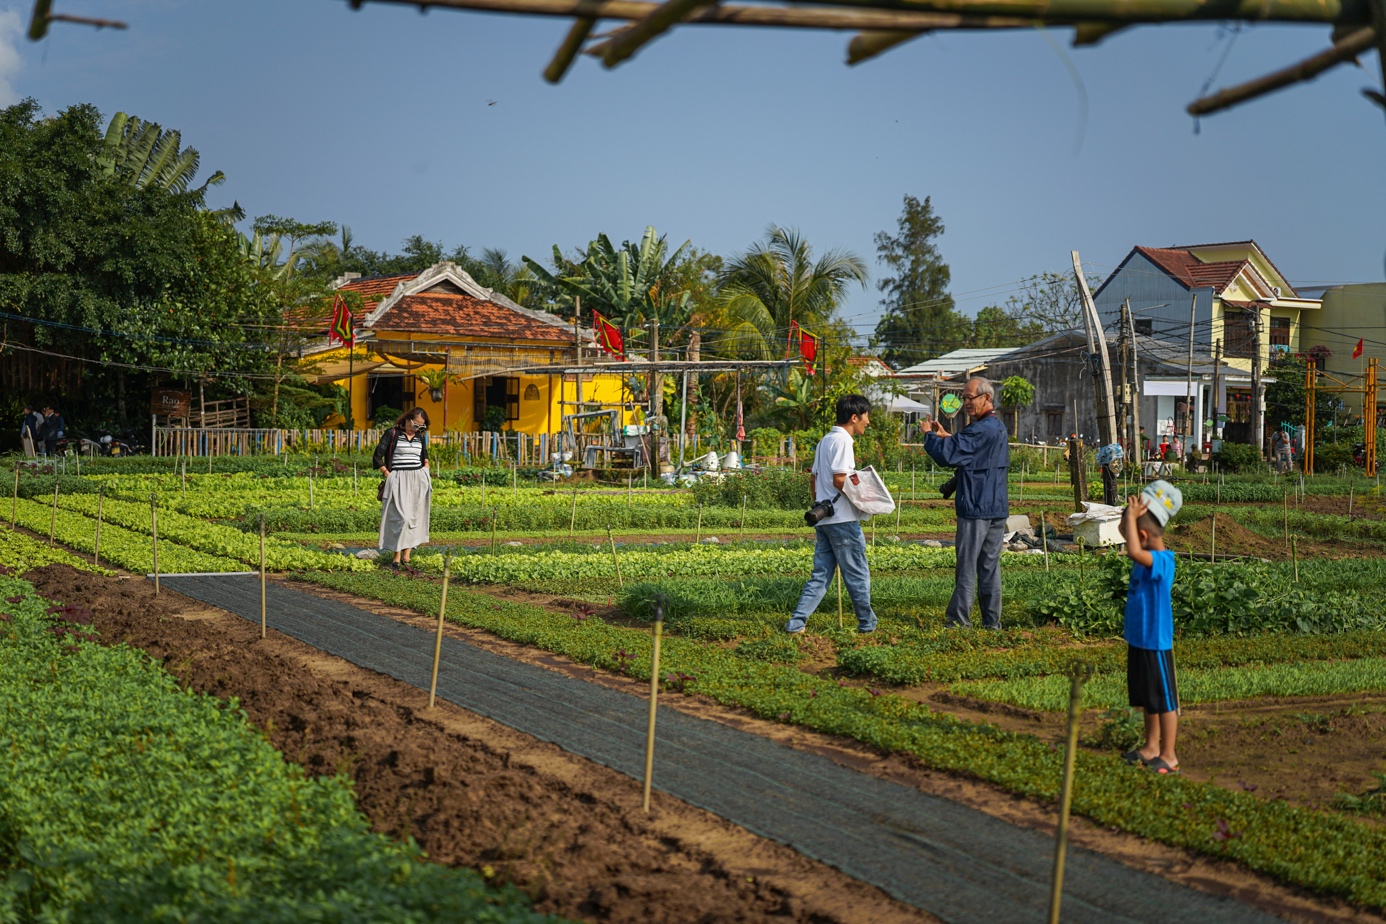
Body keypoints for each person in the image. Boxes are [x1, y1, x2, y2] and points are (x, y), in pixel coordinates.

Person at [785, 394, 877, 635]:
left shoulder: (825, 440)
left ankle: (796, 623)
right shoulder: (843, 441)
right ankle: (867, 624)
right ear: (854, 417)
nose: (868, 421)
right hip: (843, 520)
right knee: (857, 573)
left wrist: (819, 503)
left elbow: (814, 478)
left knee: (821, 575)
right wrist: (864, 499)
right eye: (866, 416)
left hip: (824, 519)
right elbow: (840, 479)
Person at [924, 377, 1009, 629]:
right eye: (964, 398)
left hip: (975, 507)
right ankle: (992, 623)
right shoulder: (996, 427)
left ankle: (959, 621)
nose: (966, 403)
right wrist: (947, 436)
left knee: (967, 566)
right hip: (996, 507)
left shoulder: (980, 429)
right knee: (989, 567)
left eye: (970, 398)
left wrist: (929, 435)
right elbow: (970, 450)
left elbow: (948, 454)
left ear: (986, 398)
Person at [1119, 480, 1182, 775]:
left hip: (1156, 643)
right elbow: (1129, 541)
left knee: (1165, 699)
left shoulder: (1162, 560)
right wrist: (1129, 516)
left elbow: (1132, 549)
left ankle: (1169, 754)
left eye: (1131, 529)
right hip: (1140, 640)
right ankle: (1151, 747)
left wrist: (1131, 520)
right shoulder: (1144, 553)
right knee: (1148, 698)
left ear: (1142, 535)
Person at [373, 408, 432, 573]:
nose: (417, 429)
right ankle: (396, 556)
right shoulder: (392, 434)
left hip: (417, 480)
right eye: (415, 425)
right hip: (398, 480)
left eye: (421, 427)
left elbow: (424, 455)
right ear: (407, 420)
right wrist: (387, 473)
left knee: (413, 517)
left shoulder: (419, 437)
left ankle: (406, 555)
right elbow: (377, 456)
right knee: (401, 518)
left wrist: (426, 467)